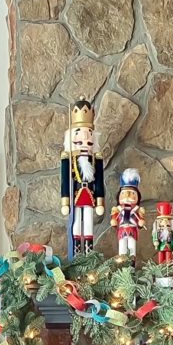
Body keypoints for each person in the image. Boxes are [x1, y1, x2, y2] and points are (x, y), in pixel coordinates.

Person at [59, 99, 105, 258]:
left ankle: (89, 255)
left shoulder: (96, 158)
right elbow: (65, 181)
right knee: (77, 224)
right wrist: (65, 201)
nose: (85, 142)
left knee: (89, 226)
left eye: (88, 139)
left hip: (90, 196)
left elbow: (99, 181)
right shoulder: (68, 158)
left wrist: (100, 200)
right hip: (75, 195)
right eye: (79, 140)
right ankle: (77, 256)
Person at [110, 168, 145, 260]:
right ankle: (122, 267)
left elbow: (140, 222)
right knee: (122, 249)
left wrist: (140, 223)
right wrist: (114, 222)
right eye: (124, 194)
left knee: (132, 248)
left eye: (132, 193)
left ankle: (131, 268)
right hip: (122, 230)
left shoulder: (138, 210)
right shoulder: (118, 209)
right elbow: (115, 220)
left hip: (132, 230)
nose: (128, 197)